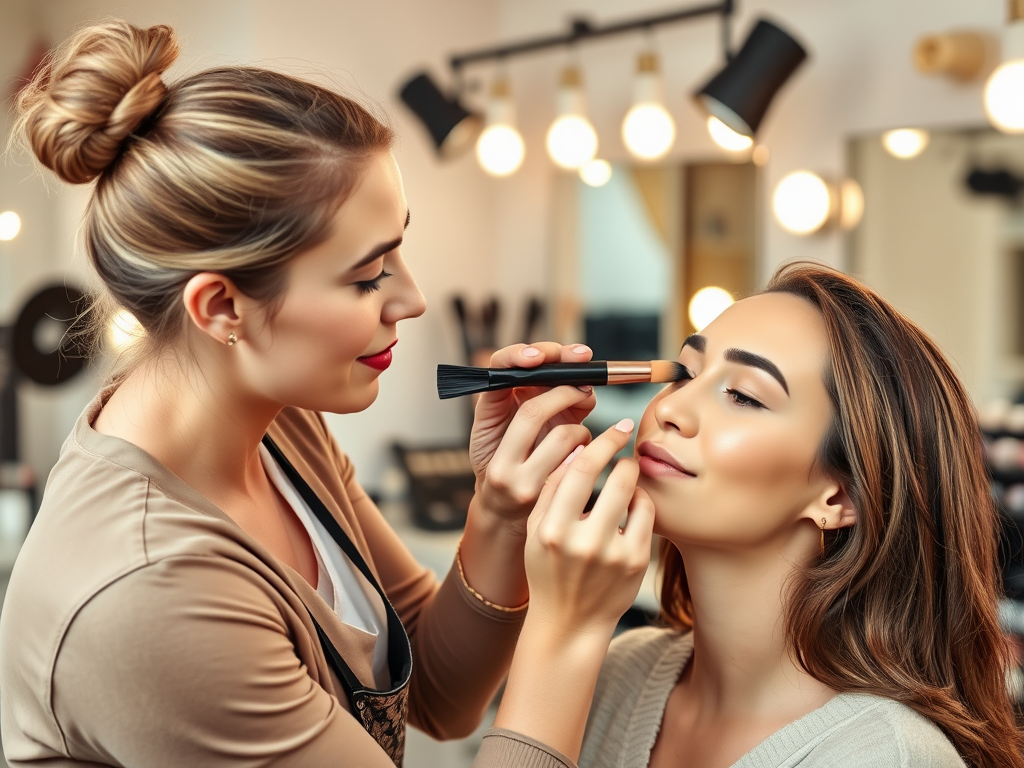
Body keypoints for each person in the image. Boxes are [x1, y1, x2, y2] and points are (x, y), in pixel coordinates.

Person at [0, 20, 654, 768]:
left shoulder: (281, 429)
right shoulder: (147, 594)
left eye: (398, 249)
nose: (412, 300)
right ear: (221, 309)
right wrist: (568, 627)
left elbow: (437, 695)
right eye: (368, 275)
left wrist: (501, 509)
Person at [579, 263, 1024, 768]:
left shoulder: (883, 757)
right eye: (685, 372)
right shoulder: (622, 672)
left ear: (841, 497)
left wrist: (560, 631)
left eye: (743, 396)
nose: (669, 411)